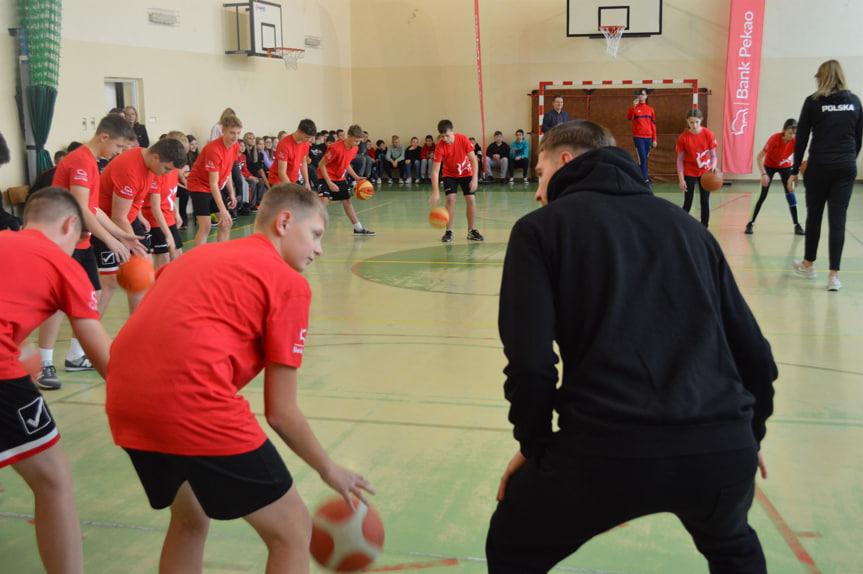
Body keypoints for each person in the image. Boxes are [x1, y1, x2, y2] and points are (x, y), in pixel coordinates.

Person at [486, 120, 777, 574]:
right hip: (721, 447)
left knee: (512, 546)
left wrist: (536, 445)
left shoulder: (539, 230)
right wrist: (747, 434)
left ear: (565, 161)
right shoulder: (690, 229)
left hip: (609, 449)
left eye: (539, 175)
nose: (538, 192)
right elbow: (756, 355)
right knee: (733, 548)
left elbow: (531, 363)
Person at [105, 183, 374, 573]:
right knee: (293, 529)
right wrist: (330, 469)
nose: (319, 249)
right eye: (315, 235)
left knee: (190, 517)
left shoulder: (199, 255)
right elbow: (281, 412)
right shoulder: (288, 284)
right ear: (284, 222)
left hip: (125, 402)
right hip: (194, 404)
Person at [1, 186, 113, 574]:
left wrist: (22, 354)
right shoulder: (65, 266)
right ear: (70, 225)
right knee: (53, 477)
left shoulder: (4, 240)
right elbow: (105, 361)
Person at [35, 115, 141, 391]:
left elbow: (93, 208)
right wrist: (109, 239)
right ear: (104, 138)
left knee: (90, 296)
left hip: (80, 242)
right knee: (58, 303)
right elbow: (81, 208)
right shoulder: (81, 160)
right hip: (62, 242)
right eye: (118, 147)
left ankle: (75, 355)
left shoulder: (93, 163)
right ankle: (44, 362)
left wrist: (121, 234)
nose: (119, 153)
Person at [789, 59, 863, 292]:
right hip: (845, 166)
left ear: (821, 77)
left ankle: (809, 264)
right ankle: (834, 276)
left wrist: (793, 171)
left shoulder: (813, 102)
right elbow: (858, 138)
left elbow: (801, 139)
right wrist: (848, 159)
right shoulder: (854, 102)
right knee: (838, 219)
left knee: (815, 215)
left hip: (819, 165)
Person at [92, 139, 186, 316]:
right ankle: (82, 338)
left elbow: (135, 198)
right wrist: (132, 244)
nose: (167, 174)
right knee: (109, 282)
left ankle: (135, 324)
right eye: (166, 168)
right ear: (156, 158)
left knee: (142, 271)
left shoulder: (150, 164)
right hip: (106, 220)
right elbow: (117, 216)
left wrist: (140, 216)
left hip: (128, 217)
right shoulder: (130, 169)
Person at [187, 114, 241, 246]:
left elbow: (227, 170)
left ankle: (221, 255)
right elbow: (213, 184)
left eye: (238, 133)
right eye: (232, 133)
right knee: (206, 226)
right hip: (199, 186)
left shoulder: (235, 146)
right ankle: (199, 259)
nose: (235, 137)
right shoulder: (214, 150)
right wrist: (222, 210)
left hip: (215, 186)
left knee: (226, 223)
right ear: (223, 131)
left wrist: (231, 192)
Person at [746, 119, 804, 236]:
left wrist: (795, 173)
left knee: (790, 194)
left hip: (786, 167)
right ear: (783, 131)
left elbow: (798, 159)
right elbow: (759, 157)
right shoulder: (774, 139)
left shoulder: (796, 141)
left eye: (794, 133)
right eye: (789, 133)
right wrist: (764, 174)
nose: (792, 136)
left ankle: (797, 224)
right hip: (770, 166)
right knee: (762, 195)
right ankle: (750, 223)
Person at [429, 119, 483, 243]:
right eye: (442, 136)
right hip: (449, 174)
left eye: (447, 135)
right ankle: (449, 231)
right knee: (450, 199)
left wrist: (475, 179)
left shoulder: (463, 139)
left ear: (453, 131)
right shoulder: (440, 146)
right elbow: (435, 171)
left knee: (470, 199)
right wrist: (435, 192)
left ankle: (472, 230)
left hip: (466, 173)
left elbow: (474, 160)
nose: (445, 139)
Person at [317, 124, 376, 236]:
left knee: (347, 202)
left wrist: (356, 177)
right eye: (355, 141)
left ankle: (358, 228)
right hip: (326, 177)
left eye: (359, 141)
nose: (357, 144)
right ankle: (311, 228)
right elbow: (321, 165)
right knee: (323, 201)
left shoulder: (355, 148)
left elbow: (346, 163)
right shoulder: (335, 148)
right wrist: (329, 183)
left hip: (339, 177)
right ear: (348, 136)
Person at [142, 132, 189, 270]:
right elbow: (155, 206)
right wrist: (167, 233)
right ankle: (159, 288)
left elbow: (169, 195)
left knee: (177, 254)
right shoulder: (160, 171)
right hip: (156, 220)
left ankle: (173, 287)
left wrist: (176, 213)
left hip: (168, 217)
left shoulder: (173, 169)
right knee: (164, 258)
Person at [676, 108, 718, 228]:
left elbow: (713, 155)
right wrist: (681, 179)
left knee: (705, 200)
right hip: (689, 171)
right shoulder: (683, 138)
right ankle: (680, 226)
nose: (694, 125)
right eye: (691, 122)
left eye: (697, 122)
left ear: (701, 120)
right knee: (688, 202)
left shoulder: (708, 134)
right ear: (687, 122)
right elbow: (679, 160)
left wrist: (713, 167)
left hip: (705, 172)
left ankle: (704, 227)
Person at [270, 119, 316, 192]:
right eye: (307, 137)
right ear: (299, 132)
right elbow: (282, 172)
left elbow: (303, 162)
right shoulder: (284, 144)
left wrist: (307, 182)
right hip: (278, 180)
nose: (309, 140)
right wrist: (291, 189)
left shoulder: (305, 143)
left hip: (293, 179)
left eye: (310, 137)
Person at [627, 88, 657, 183]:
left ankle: (638, 176)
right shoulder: (634, 108)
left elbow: (653, 125)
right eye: (639, 94)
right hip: (638, 137)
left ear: (646, 96)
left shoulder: (650, 109)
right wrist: (633, 107)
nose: (641, 96)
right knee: (642, 158)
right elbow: (629, 118)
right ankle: (645, 178)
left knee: (644, 159)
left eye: (643, 94)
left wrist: (654, 138)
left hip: (648, 137)